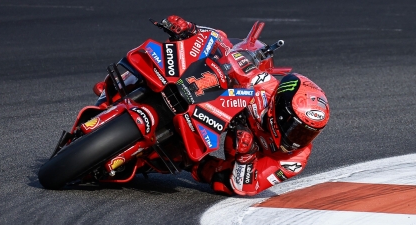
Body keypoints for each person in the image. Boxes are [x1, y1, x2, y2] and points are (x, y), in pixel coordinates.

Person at [98, 15, 330, 196]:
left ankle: (184, 161)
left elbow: (248, 187)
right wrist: (191, 30)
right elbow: (224, 44)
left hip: (242, 155)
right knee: (196, 69)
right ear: (280, 106)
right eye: (296, 127)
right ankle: (130, 86)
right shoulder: (266, 87)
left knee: (223, 184)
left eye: (308, 133)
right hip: (225, 110)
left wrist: (246, 156)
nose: (299, 138)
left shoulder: (294, 160)